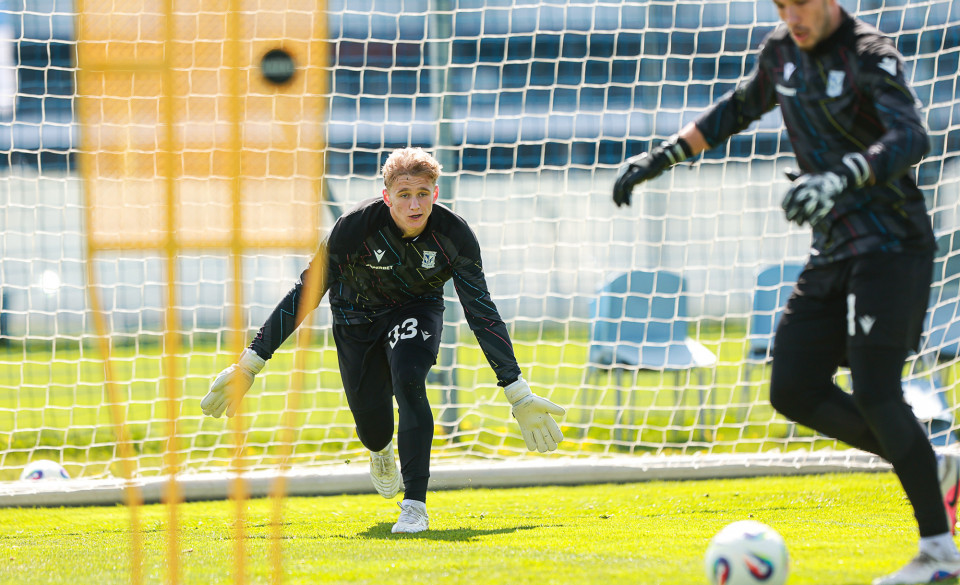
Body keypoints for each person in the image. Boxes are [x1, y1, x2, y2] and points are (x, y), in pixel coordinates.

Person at [612, 1, 959, 583]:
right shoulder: (780, 52)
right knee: (793, 388)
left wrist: (839, 177)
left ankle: (940, 554)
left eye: (800, 3)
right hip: (832, 250)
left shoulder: (870, 55)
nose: (791, 15)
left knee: (877, 391)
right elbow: (737, 109)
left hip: (892, 247)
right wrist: (662, 156)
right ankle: (931, 464)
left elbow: (911, 137)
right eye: (780, 4)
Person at [202, 147, 565, 534]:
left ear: (435, 194)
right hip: (354, 318)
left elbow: (482, 311)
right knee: (373, 428)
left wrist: (516, 391)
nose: (414, 205)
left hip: (416, 309)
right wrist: (250, 364)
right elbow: (305, 292)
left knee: (409, 379)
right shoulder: (354, 227)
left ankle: (415, 505)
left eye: (422, 194)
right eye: (404, 194)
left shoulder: (454, 235)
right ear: (387, 196)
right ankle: (380, 450)